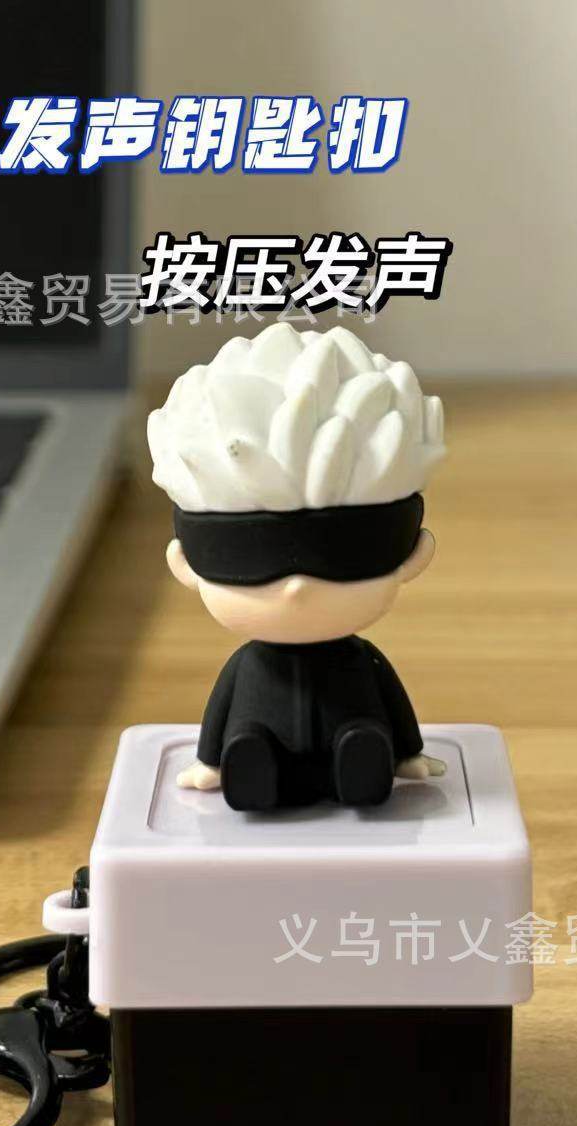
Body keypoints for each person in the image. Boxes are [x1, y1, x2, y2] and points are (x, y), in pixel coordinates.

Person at [149, 322, 447, 810]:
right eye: (250, 567)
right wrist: (212, 762)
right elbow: (221, 709)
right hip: (262, 742)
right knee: (248, 740)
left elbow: (391, 700)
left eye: (342, 563)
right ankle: (250, 765)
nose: (296, 588)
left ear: (412, 557)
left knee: (363, 736)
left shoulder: (360, 661)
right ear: (186, 565)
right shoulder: (249, 667)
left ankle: (363, 762)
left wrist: (406, 752)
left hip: (352, 734)